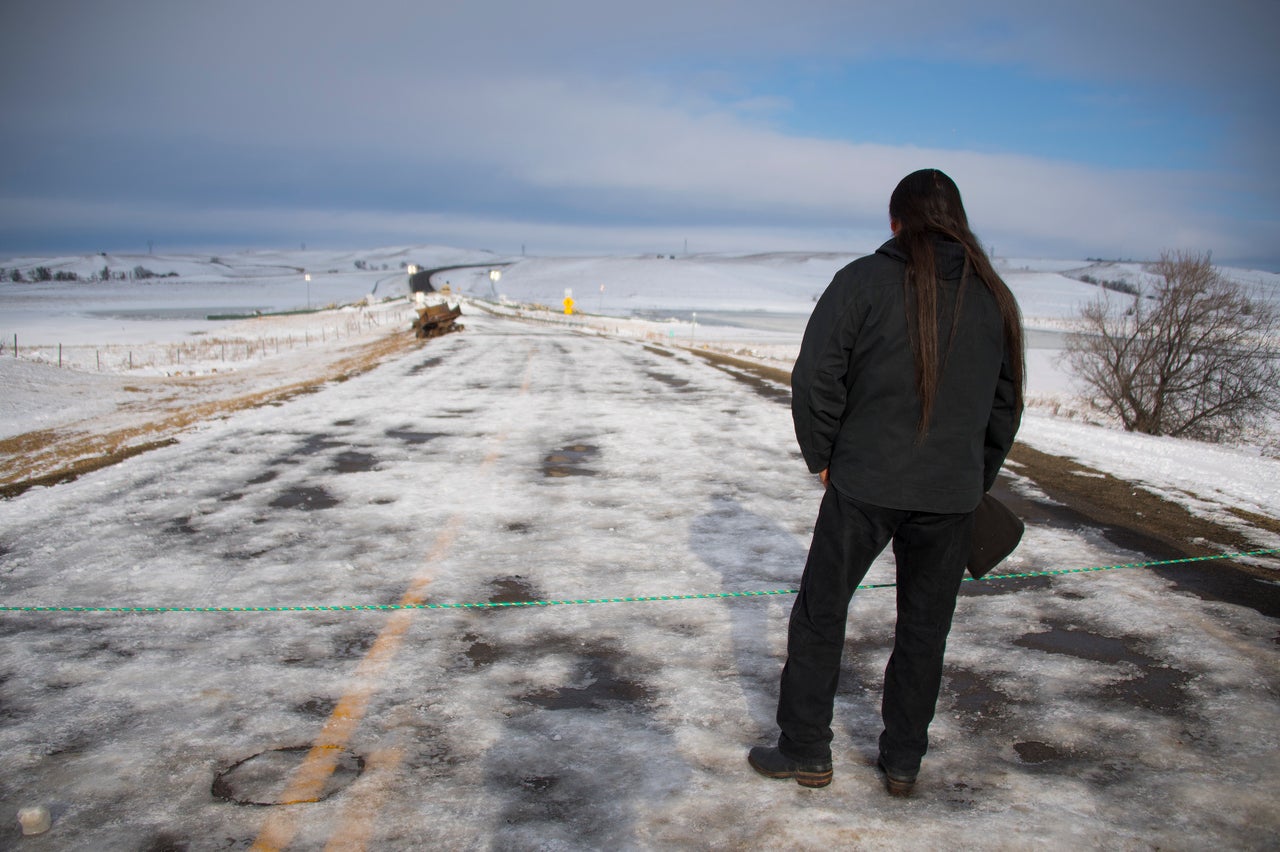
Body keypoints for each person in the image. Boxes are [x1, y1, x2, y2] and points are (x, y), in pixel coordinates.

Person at [748, 168, 1024, 794]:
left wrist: (823, 455)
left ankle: (806, 750)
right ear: (957, 221)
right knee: (925, 631)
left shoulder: (863, 281)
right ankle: (903, 763)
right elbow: (1006, 405)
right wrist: (972, 478)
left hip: (865, 484)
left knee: (822, 613)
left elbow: (815, 375)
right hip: (950, 496)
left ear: (897, 221)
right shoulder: (994, 296)